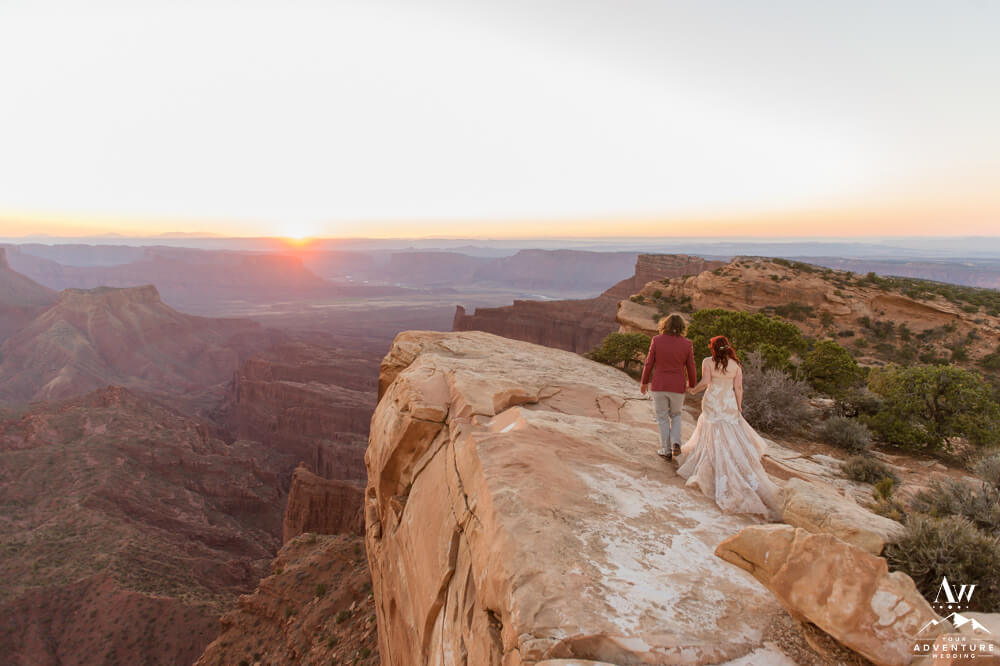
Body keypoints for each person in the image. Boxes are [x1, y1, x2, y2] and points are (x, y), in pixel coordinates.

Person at [677, 335, 780, 519]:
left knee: (711, 430)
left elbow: (705, 382)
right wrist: (739, 406)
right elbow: (738, 389)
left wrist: (693, 390)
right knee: (729, 433)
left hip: (712, 401)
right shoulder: (736, 366)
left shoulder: (708, 361)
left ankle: (712, 463)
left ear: (713, 348)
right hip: (727, 402)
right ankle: (733, 464)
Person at [639, 313, 697, 461]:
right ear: (682, 327)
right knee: (676, 415)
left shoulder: (657, 340)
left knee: (662, 417)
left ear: (665, 325)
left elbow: (649, 363)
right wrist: (692, 383)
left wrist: (644, 382)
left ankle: (666, 450)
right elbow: (691, 366)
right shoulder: (687, 343)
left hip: (660, 385)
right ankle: (676, 443)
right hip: (678, 386)